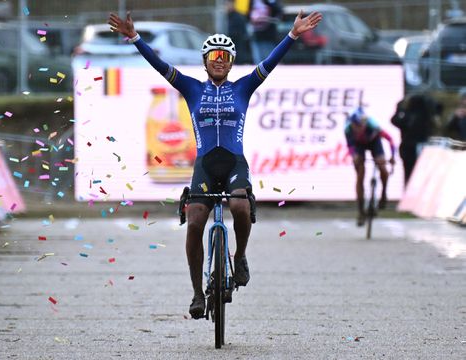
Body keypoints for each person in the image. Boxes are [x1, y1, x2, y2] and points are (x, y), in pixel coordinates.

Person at [108, 9, 322, 318]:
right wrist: (135, 38)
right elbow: (160, 66)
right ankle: (197, 293)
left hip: (234, 163)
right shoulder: (192, 88)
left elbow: (270, 63)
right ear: (205, 60)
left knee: (239, 207)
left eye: (225, 55)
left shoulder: (243, 88)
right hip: (205, 166)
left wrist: (292, 35)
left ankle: (242, 256)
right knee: (194, 223)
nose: (219, 59)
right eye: (213, 55)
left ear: (231, 62)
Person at [344, 107, 396, 227]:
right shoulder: (348, 130)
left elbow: (391, 140)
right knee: (360, 173)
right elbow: (350, 147)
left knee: (382, 166)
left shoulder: (373, 126)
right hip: (359, 145)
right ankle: (361, 211)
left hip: (374, 142)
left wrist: (392, 157)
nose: (359, 129)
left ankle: (383, 194)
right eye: (356, 126)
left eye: (361, 126)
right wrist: (354, 156)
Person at [391, 93, 437, 186]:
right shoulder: (424, 116)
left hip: (411, 146)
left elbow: (394, 120)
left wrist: (399, 109)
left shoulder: (409, 115)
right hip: (413, 146)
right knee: (416, 171)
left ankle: (411, 190)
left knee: (411, 172)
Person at [227, 0, 252, 64]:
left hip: (239, 48)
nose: (226, 7)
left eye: (228, 4)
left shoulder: (238, 17)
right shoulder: (229, 16)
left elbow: (241, 34)